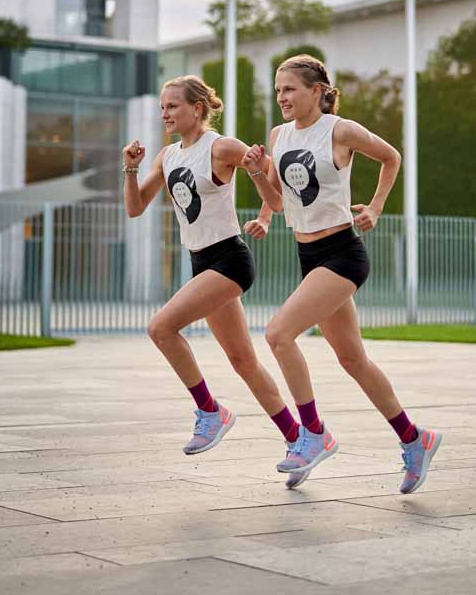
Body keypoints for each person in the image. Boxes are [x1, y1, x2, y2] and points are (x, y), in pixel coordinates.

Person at [242, 54, 442, 494]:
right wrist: (258, 173)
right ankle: (415, 439)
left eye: (290, 89)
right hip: (308, 255)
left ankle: (312, 434)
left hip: (342, 255)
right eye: (278, 90)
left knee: (278, 334)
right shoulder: (278, 136)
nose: (282, 98)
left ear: (316, 91)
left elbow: (391, 157)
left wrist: (375, 206)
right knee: (353, 360)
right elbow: (277, 202)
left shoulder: (340, 130)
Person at [123, 74, 302, 456]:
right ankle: (298, 438)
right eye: (161, 108)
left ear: (197, 108)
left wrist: (267, 217)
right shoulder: (168, 156)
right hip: (200, 262)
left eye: (172, 106)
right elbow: (135, 208)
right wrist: (130, 169)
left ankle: (210, 411)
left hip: (228, 259)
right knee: (243, 360)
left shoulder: (220, 148)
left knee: (161, 328)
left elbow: (274, 174)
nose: (164, 114)